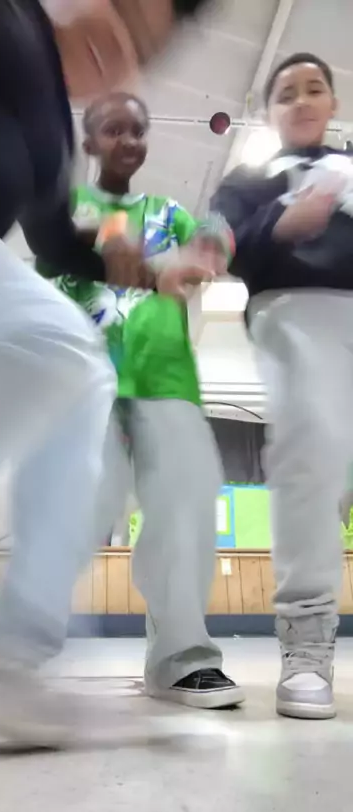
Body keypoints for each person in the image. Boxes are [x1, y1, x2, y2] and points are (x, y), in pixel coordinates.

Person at [0, 0, 218, 746]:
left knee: (80, 376)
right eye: (121, 12)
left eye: (140, 46)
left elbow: (60, 241)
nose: (116, 42)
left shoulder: (55, 141)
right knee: (52, 345)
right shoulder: (3, 13)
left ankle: (21, 663)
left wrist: (149, 265)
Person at [37, 92, 244, 709]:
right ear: (89, 142)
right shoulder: (67, 213)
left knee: (186, 508)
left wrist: (212, 241)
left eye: (138, 130)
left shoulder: (168, 212)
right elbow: (49, 267)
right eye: (113, 129)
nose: (128, 140)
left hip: (166, 380)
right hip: (84, 381)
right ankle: (17, 654)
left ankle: (182, 659)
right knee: (67, 514)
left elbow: (208, 242)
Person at [211, 52, 353, 720]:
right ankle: (307, 644)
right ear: (268, 112)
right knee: (308, 462)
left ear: (332, 103)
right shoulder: (250, 179)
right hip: (293, 311)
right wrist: (277, 224)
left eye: (314, 89)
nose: (301, 100)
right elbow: (221, 242)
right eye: (286, 93)